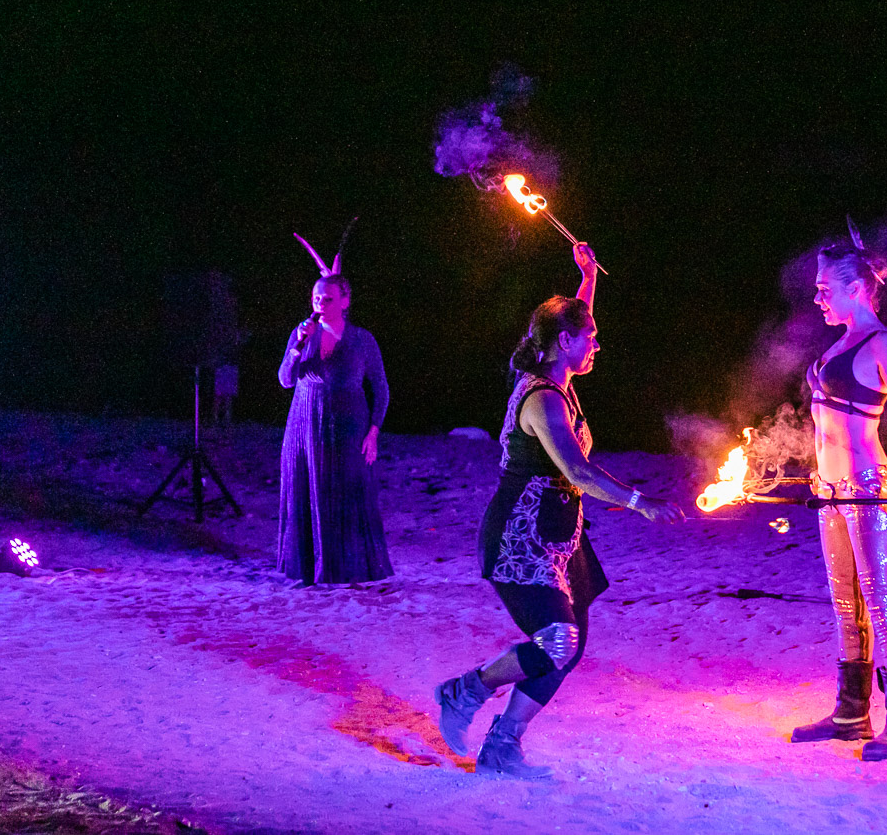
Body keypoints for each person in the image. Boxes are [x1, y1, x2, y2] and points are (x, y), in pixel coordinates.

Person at [436, 243, 685, 778]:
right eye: (589, 337)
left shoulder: (561, 377)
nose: (597, 343)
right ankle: (466, 690)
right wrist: (641, 503)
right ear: (564, 342)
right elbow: (580, 473)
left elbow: (572, 320)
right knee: (559, 640)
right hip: (519, 538)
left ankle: (504, 744)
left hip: (559, 537)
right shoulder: (543, 399)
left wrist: (589, 276)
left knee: (568, 646)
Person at [789, 230, 887, 761]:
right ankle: (852, 714)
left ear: (856, 288)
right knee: (845, 602)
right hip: (831, 492)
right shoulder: (839, 344)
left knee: (882, 601)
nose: (818, 297)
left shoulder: (885, 346)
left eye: (825, 287)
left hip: (871, 491)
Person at [276, 272, 392, 584]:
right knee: (308, 489)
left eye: (327, 298)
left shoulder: (362, 340)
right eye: (316, 298)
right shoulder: (303, 333)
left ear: (345, 301)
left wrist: (373, 432)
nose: (320, 304)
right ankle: (308, 568)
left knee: (348, 491)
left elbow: (381, 390)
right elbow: (286, 380)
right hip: (304, 423)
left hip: (348, 425)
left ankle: (347, 568)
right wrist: (297, 347)